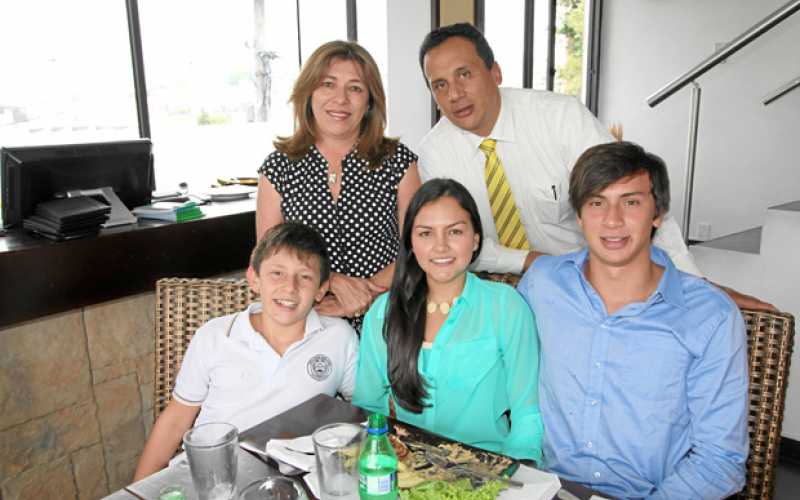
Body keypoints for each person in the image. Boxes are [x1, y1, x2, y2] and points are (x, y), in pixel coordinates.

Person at [417, 23, 772, 310]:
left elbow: (636, 198)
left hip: (597, 282)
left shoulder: (560, 117)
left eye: (465, 74)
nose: (454, 94)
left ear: (494, 72)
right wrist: (530, 261)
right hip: (497, 290)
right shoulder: (435, 153)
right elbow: (453, 242)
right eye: (440, 85)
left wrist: (695, 283)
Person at [517, 142, 748, 498]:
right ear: (579, 216)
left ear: (658, 213)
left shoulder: (710, 316)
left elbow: (719, 461)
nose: (612, 220)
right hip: (544, 487)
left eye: (631, 202)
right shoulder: (543, 284)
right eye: (597, 202)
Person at [133, 222, 358, 480]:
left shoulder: (338, 337)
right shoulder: (215, 335)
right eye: (277, 273)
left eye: (305, 277)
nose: (290, 287)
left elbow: (364, 410)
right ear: (254, 279)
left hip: (292, 480)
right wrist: (136, 492)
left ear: (321, 289)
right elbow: (175, 420)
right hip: (213, 476)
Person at [353, 178, 543, 460]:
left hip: (487, 468)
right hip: (407, 467)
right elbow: (369, 407)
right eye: (426, 234)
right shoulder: (384, 312)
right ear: (411, 242)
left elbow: (527, 413)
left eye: (454, 231)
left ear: (475, 238)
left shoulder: (506, 307)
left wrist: (515, 473)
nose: (440, 246)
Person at [257, 40, 421, 326]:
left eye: (355, 88)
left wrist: (363, 295)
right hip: (309, 317)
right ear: (308, 92)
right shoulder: (278, 167)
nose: (341, 99)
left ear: (370, 101)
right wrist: (331, 281)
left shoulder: (399, 162)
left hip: (387, 313)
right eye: (328, 84)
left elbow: (419, 249)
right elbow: (268, 259)